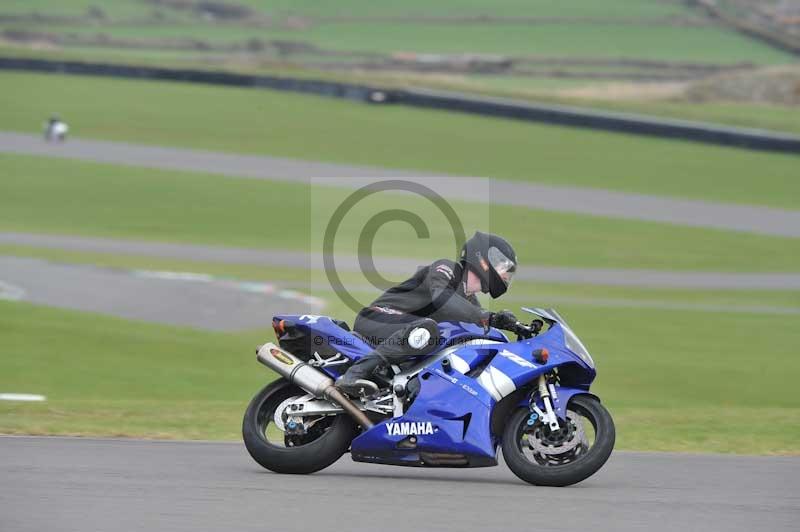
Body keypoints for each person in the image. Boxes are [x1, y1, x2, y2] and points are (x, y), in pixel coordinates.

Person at [336, 231, 519, 397]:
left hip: (404, 333)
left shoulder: (470, 303)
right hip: (377, 317)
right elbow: (444, 298)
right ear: (483, 257)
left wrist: (505, 326)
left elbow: (475, 323)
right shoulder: (447, 268)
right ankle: (354, 373)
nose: (506, 274)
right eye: (502, 265)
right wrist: (488, 317)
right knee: (427, 329)